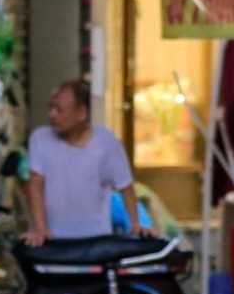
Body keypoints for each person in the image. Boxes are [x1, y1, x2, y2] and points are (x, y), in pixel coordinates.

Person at [23, 80, 149, 245]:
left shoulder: (106, 143)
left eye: (59, 110)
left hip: (96, 243)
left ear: (82, 113)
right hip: (53, 243)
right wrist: (40, 229)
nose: (52, 115)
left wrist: (135, 224)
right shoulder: (40, 138)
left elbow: (126, 186)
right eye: (51, 108)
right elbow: (36, 184)